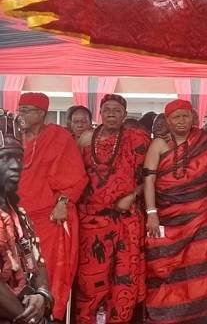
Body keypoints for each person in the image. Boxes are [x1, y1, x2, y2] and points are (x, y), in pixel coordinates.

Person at [142, 99, 207, 323]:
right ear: (168, 120)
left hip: (199, 215)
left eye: (185, 116)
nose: (181, 121)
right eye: (176, 117)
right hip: (166, 217)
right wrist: (151, 213)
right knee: (163, 267)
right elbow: (148, 181)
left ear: (193, 118)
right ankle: (164, 315)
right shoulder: (159, 144)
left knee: (198, 266)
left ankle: (198, 316)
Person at [74, 94, 149, 324]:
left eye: (117, 110)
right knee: (90, 278)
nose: (111, 114)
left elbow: (150, 176)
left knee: (124, 276)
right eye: (107, 110)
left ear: (125, 114)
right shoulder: (85, 140)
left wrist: (132, 196)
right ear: (100, 113)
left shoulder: (138, 139)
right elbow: (75, 176)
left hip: (126, 218)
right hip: (93, 220)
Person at [16, 92, 88, 321]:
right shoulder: (11, 137)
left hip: (47, 219)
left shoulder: (59, 137)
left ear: (42, 113)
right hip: (15, 217)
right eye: (20, 109)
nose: (21, 114)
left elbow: (74, 176)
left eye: (26, 110)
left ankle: (49, 314)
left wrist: (64, 201)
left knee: (49, 271)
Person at [0, 129, 54, 324]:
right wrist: (30, 319)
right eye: (6, 158)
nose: (16, 166)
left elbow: (37, 263)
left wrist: (42, 294)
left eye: (19, 159)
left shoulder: (19, 215)